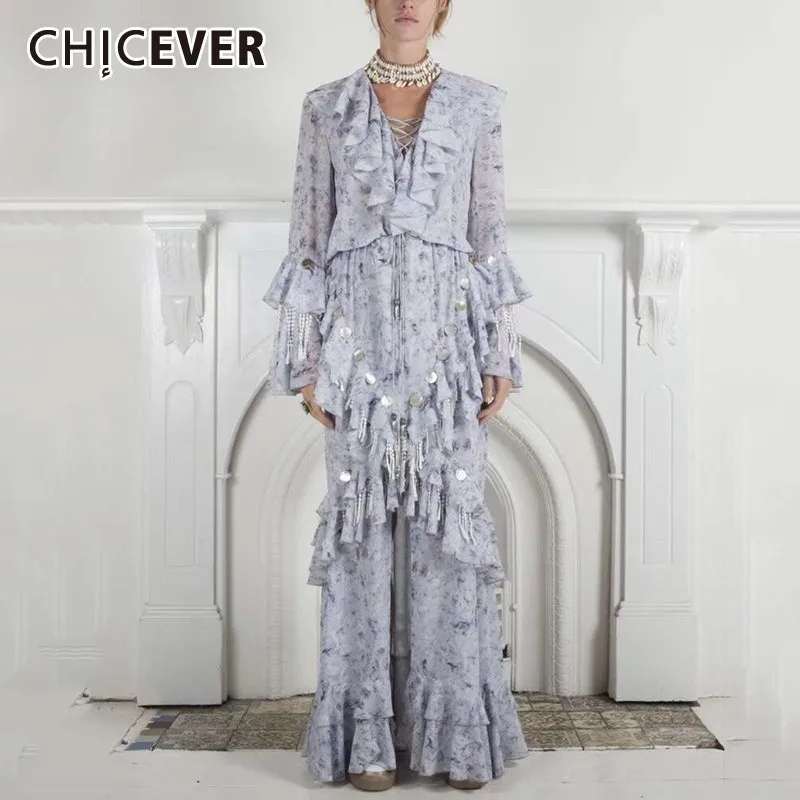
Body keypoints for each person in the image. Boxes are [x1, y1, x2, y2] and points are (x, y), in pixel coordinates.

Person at [262, 0, 532, 791]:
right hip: (356, 350)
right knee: (358, 538)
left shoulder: (479, 106)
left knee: (451, 535)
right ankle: (365, 742)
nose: (408, 0)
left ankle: (457, 740)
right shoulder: (326, 108)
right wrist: (307, 361)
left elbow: (489, 237)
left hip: (450, 347)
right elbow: (308, 238)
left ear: (443, 4)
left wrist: (499, 352)